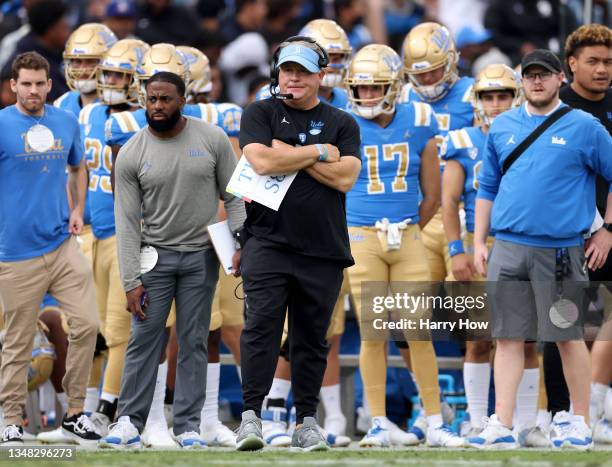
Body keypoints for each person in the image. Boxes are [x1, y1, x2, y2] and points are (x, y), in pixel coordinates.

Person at [472, 49, 612, 450]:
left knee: (566, 336)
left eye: (545, 75)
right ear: (521, 80)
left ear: (559, 79)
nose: (537, 81)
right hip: (509, 246)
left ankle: (580, 420)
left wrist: (609, 230)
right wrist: (480, 240)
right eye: (530, 75)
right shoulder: (502, 127)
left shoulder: (585, 126)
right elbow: (488, 187)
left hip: (560, 251)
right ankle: (501, 422)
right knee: (509, 337)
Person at [99, 71, 246, 449]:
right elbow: (127, 222)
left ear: (182, 100)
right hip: (154, 259)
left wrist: (242, 240)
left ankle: (188, 426)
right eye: (152, 99)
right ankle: (129, 423)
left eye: (165, 99)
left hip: (201, 257)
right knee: (144, 339)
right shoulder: (132, 151)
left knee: (194, 340)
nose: (158, 106)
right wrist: (131, 280)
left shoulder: (212, 138)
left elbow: (235, 196)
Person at [234, 36, 361, 452]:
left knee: (311, 338)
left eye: (304, 71)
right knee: (261, 328)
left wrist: (295, 152)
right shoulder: (260, 112)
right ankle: (250, 417)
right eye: (288, 70)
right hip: (267, 242)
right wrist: (321, 153)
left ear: (321, 76)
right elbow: (262, 161)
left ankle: (307, 421)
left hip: (323, 247)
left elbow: (345, 178)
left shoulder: (343, 122)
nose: (294, 78)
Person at [343, 43, 463, 449]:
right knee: (373, 334)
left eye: (376, 87)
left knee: (418, 333)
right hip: (361, 237)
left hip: (407, 233)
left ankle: (434, 420)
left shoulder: (421, 118)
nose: (367, 96)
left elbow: (432, 193)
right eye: (361, 88)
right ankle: (377, 421)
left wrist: (409, 228)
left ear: (394, 86)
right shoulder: (343, 121)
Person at [441, 63, 550, 447]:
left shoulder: (536, 133)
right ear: (478, 100)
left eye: (504, 94)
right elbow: (449, 200)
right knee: (479, 338)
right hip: (478, 241)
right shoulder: (462, 140)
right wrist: (458, 250)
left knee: (526, 339)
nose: (497, 102)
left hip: (524, 241)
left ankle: (527, 423)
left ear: (516, 96)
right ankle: (475, 421)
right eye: (489, 95)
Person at [0, 51, 100, 445]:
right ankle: (10, 417)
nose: (34, 90)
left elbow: (78, 167)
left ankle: (75, 412)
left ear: (49, 84)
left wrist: (77, 208)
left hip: (62, 244)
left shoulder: (66, 121)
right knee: (17, 339)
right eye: (26, 83)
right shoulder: (1, 124)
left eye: (40, 83)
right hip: (14, 252)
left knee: (88, 324)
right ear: (13, 86)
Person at [543, 24, 612, 445]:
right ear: (571, 64)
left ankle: (599, 410)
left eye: (608, 62)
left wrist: (608, 228)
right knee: (564, 326)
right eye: (593, 61)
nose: (602, 69)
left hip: (610, 231)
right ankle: (559, 414)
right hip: (568, 235)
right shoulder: (554, 107)